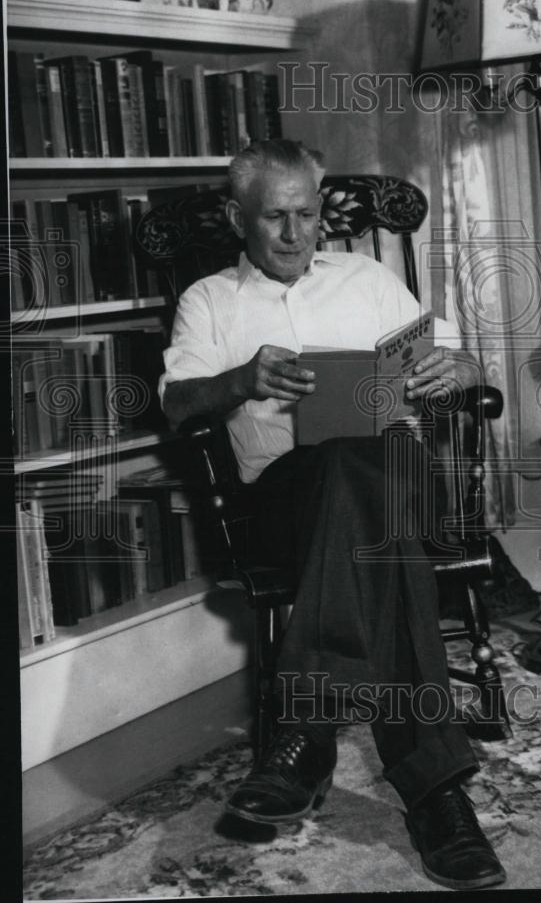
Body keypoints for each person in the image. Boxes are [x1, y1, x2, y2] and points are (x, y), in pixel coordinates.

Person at [159, 139, 506, 890]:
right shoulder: (208, 300)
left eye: (306, 214)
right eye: (274, 217)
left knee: (362, 463)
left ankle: (306, 731)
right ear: (238, 219)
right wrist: (241, 379)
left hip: (403, 482)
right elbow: (179, 404)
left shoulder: (369, 279)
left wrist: (455, 370)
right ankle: (439, 797)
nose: (294, 233)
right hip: (286, 501)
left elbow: (459, 362)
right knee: (352, 485)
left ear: (322, 213)